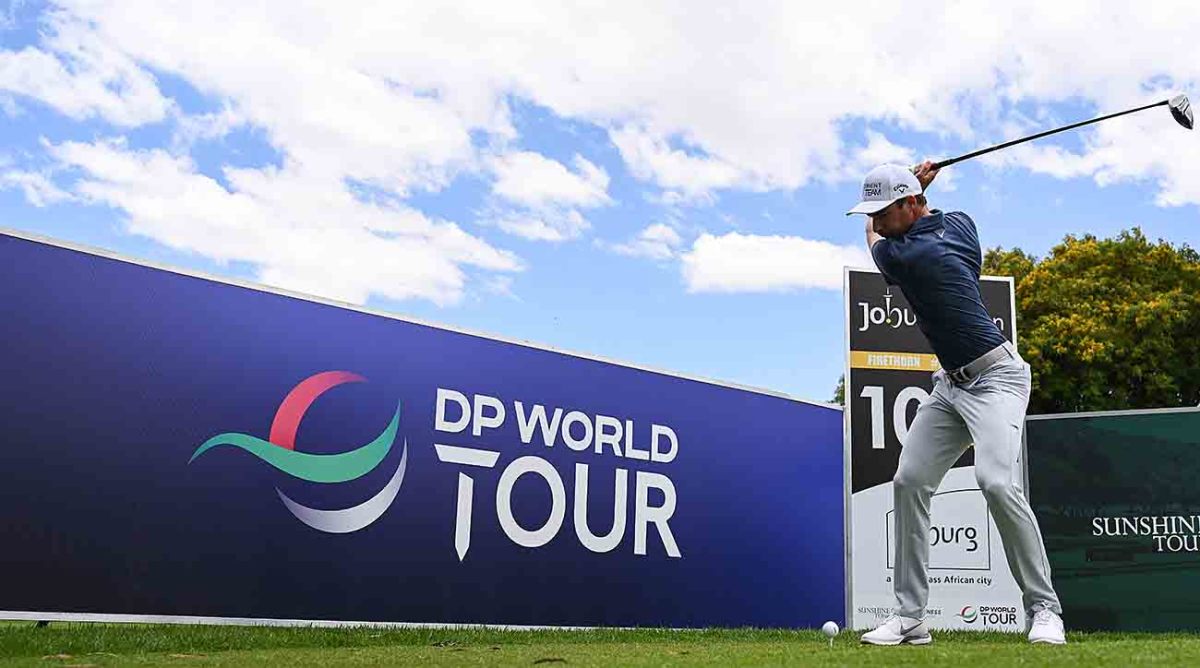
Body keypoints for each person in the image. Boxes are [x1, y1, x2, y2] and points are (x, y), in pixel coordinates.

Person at [847, 162, 1065, 646]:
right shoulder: (962, 224)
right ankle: (910, 618)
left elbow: (873, 240)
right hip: (951, 386)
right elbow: (924, 220)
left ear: (909, 205)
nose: (876, 221)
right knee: (909, 481)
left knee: (995, 482)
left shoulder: (911, 255)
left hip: (998, 379)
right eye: (873, 213)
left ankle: (1045, 609)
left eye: (882, 212)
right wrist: (917, 188)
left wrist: (914, 185)